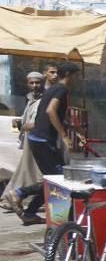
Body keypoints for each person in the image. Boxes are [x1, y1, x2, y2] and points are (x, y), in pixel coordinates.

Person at [17, 62, 79, 225]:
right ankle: (20, 193)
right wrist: (64, 135)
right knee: (59, 179)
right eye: (75, 76)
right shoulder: (61, 89)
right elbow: (50, 111)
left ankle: (30, 213)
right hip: (43, 140)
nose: (76, 79)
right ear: (69, 75)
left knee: (53, 178)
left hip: (38, 138)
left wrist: (69, 126)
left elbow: (48, 114)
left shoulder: (51, 89)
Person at [1, 72, 45, 213]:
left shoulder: (45, 99)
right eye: (31, 83)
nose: (34, 86)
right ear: (28, 84)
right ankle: (14, 197)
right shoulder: (30, 99)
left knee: (30, 171)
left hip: (39, 138)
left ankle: (13, 197)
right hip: (31, 138)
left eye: (37, 83)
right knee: (28, 170)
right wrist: (22, 123)